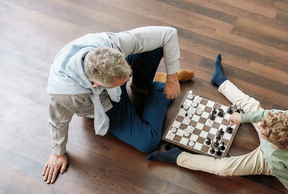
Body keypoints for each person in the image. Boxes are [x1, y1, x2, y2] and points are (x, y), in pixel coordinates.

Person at [147, 54, 288, 194]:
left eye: (262, 131)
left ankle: (178, 157)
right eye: (264, 123)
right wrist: (242, 118)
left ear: (273, 144)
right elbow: (264, 114)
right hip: (278, 143)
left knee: (224, 168)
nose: (260, 126)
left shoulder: (275, 160)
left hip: (268, 160)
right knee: (253, 106)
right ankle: (221, 81)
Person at [43, 26, 193, 184]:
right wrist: (58, 153)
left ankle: (142, 87)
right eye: (124, 80)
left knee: (155, 45)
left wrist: (172, 77)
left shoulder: (113, 43)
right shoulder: (65, 94)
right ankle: (158, 90)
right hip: (102, 104)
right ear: (96, 84)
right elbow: (58, 122)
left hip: (111, 74)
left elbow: (168, 34)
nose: (129, 78)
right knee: (148, 141)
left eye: (128, 74)